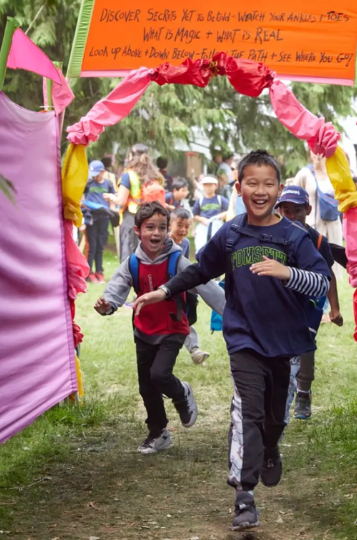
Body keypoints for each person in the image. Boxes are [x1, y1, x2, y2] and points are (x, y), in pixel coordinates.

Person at [132, 150, 331, 531]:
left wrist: (287, 272)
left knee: (276, 418)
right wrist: (164, 291)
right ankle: (244, 495)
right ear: (238, 189)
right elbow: (200, 271)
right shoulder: (232, 234)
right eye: (251, 183)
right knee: (246, 414)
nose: (260, 191)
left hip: (286, 344)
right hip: (244, 341)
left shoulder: (293, 236)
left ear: (279, 187)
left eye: (268, 183)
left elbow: (321, 280)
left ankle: (271, 446)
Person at [93, 202, 225, 454]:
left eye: (162, 228)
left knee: (159, 375)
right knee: (146, 385)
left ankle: (181, 393)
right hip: (143, 330)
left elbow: (207, 287)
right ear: (137, 231)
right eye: (149, 227)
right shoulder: (131, 263)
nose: (156, 233)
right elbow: (115, 292)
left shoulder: (177, 260)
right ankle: (158, 432)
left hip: (173, 328)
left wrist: (232, 314)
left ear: (167, 230)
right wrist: (106, 305)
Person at [275, 186, 343, 420]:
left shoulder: (318, 240)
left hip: (310, 300)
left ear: (308, 210)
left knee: (305, 343)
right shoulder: (272, 235)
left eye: (298, 210)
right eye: (286, 210)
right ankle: (278, 388)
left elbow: (329, 274)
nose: (291, 216)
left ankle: (303, 391)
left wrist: (335, 309)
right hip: (281, 299)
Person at [103, 144, 163, 262]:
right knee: (147, 254)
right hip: (150, 218)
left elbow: (121, 200)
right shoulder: (155, 175)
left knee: (129, 256)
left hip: (132, 218)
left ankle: (128, 280)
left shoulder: (128, 175)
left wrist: (111, 197)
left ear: (131, 156)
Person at [294, 151, 344, 280]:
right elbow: (293, 196)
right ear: (310, 153)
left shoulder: (334, 172)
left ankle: (332, 297)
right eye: (314, 151)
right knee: (314, 263)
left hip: (333, 223)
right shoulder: (305, 174)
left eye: (321, 151)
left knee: (333, 263)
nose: (318, 155)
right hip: (314, 224)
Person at [169, 207, 210, 365]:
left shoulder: (185, 243)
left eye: (187, 226)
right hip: (161, 288)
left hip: (178, 288)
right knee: (175, 320)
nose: (183, 230)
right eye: (179, 225)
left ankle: (195, 350)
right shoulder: (164, 241)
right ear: (170, 224)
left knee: (183, 318)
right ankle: (194, 350)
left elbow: (185, 267)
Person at [83, 160, 115, 283]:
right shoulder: (89, 183)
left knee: (100, 246)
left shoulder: (109, 184)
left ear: (103, 172)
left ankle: (99, 272)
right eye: (93, 174)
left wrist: (113, 210)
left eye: (97, 173)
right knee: (92, 245)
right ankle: (89, 272)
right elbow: (80, 194)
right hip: (91, 218)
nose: (95, 176)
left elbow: (114, 199)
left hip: (104, 219)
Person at [192, 176, 229, 254]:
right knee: (201, 247)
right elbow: (194, 215)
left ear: (216, 186)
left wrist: (221, 215)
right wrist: (201, 219)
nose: (208, 187)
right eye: (206, 185)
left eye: (210, 185)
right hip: (203, 227)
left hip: (217, 225)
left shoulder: (220, 199)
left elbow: (230, 210)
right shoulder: (200, 200)